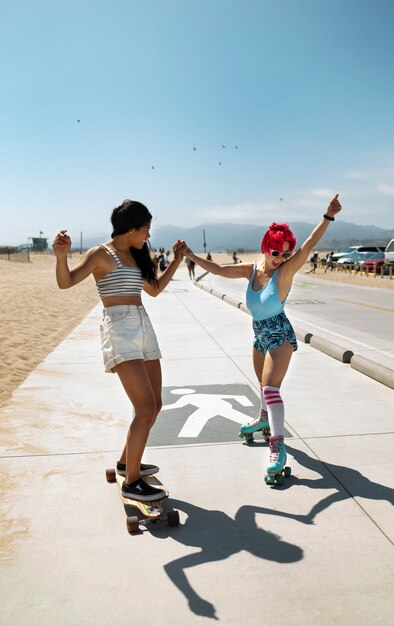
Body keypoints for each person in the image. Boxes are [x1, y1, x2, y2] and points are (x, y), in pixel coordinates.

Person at [181, 194, 342, 483]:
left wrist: (327, 217)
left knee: (271, 387)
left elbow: (308, 246)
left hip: (279, 334)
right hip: (259, 334)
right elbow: (218, 269)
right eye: (277, 252)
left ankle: (277, 447)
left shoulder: (286, 271)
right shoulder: (251, 270)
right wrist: (190, 255)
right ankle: (264, 418)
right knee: (263, 385)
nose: (282, 257)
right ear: (266, 248)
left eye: (286, 253)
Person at [53, 200, 183, 502]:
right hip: (119, 329)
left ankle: (127, 463)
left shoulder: (136, 255)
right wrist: (61, 257)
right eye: (145, 231)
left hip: (143, 327)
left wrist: (176, 260)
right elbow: (66, 281)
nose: (147, 237)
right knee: (145, 407)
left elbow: (154, 289)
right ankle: (132, 483)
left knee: (156, 404)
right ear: (131, 228)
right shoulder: (101, 254)